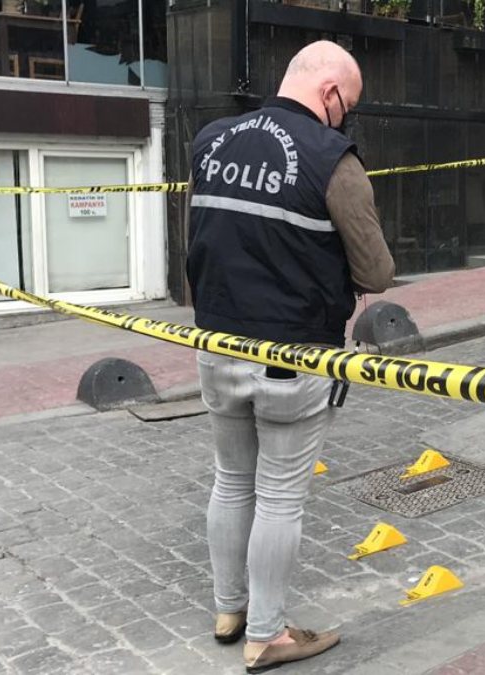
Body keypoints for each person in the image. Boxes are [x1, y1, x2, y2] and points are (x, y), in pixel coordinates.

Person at [186, 40, 394, 672]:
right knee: (279, 497)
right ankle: (267, 635)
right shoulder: (333, 158)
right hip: (294, 356)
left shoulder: (210, 141)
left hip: (215, 342)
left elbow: (200, 237)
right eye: (347, 106)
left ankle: (229, 610)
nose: (346, 119)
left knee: (230, 480)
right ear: (330, 93)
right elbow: (376, 272)